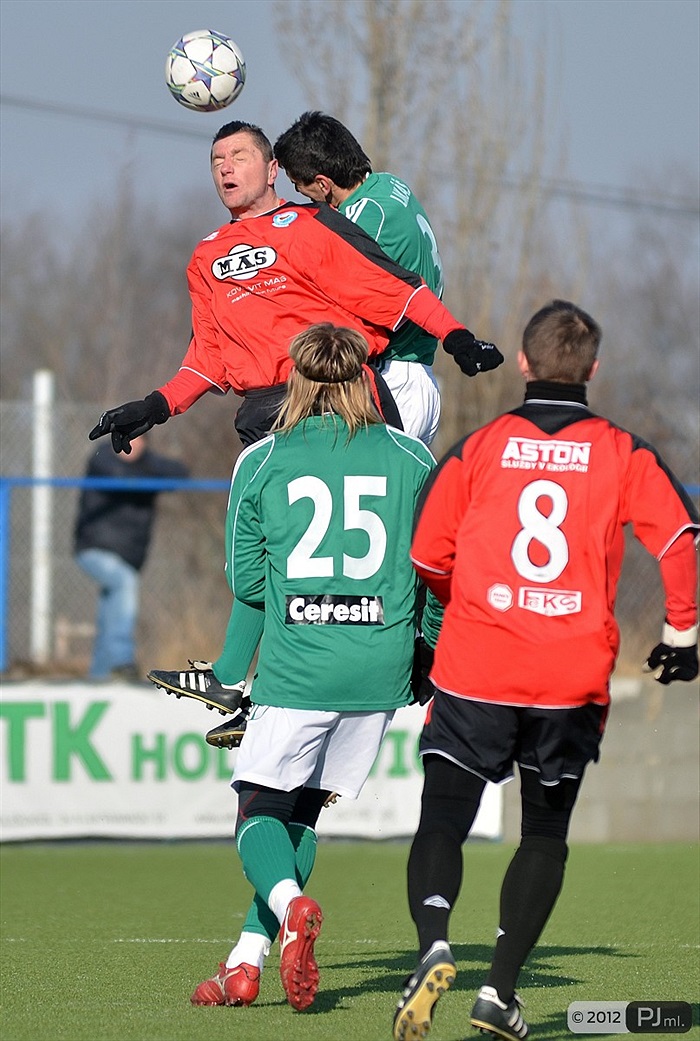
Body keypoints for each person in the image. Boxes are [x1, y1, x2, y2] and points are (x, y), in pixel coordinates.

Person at [88, 119, 501, 734]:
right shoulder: (205, 258)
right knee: (272, 554)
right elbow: (206, 358)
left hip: (334, 396)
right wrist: (154, 405)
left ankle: (412, 655)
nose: (226, 168)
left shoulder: (311, 226)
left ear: (272, 169)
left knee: (365, 541)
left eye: (239, 156)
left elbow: (396, 292)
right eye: (215, 161)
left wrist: (458, 336)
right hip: (263, 410)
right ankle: (248, 685)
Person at [394, 300, 699, 1041]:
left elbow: (428, 555)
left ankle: (435, 942)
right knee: (543, 834)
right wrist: (682, 632)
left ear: (524, 364)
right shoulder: (623, 451)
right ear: (593, 370)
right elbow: (682, 536)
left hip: (478, 665)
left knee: (443, 818)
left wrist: (466, 602)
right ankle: (498, 992)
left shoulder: (482, 447)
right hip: (568, 674)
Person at [185, 323, 442, 1011]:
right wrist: (428, 661)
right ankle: (245, 960)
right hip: (381, 669)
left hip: (300, 666)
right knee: (300, 812)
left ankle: (294, 908)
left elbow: (249, 583)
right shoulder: (414, 459)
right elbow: (437, 575)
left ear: (293, 380)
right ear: (367, 378)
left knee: (255, 816)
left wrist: (229, 675)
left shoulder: (263, 461)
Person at [274, 110, 446, 445]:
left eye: (301, 185)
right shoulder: (389, 184)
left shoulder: (363, 220)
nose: (301, 194)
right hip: (418, 377)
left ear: (323, 183)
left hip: (395, 380)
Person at [74, 435, 189, 682]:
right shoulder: (103, 457)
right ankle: (121, 660)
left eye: (137, 441)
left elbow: (180, 472)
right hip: (94, 548)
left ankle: (99, 674)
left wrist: (149, 472)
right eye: (126, 441)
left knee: (110, 606)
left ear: (146, 444)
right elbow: (119, 477)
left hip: (129, 555)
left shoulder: (148, 463)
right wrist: (150, 477)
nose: (130, 447)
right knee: (123, 582)